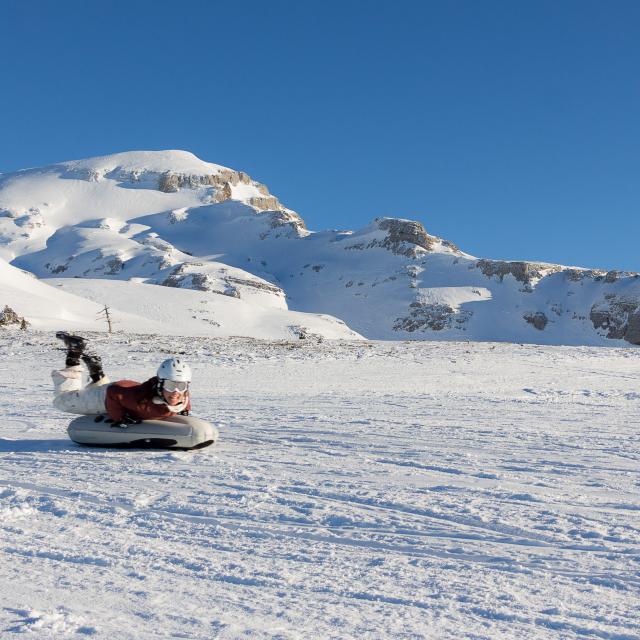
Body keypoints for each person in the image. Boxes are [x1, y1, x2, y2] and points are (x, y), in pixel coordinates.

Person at [52, 332, 191, 427]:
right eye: (170, 385)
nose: (175, 392)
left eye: (181, 386)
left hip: (124, 390)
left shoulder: (180, 396)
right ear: (160, 385)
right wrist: (119, 418)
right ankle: (74, 353)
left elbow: (184, 396)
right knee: (63, 401)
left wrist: (185, 410)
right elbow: (113, 392)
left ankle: (96, 371)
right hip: (109, 396)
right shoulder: (141, 401)